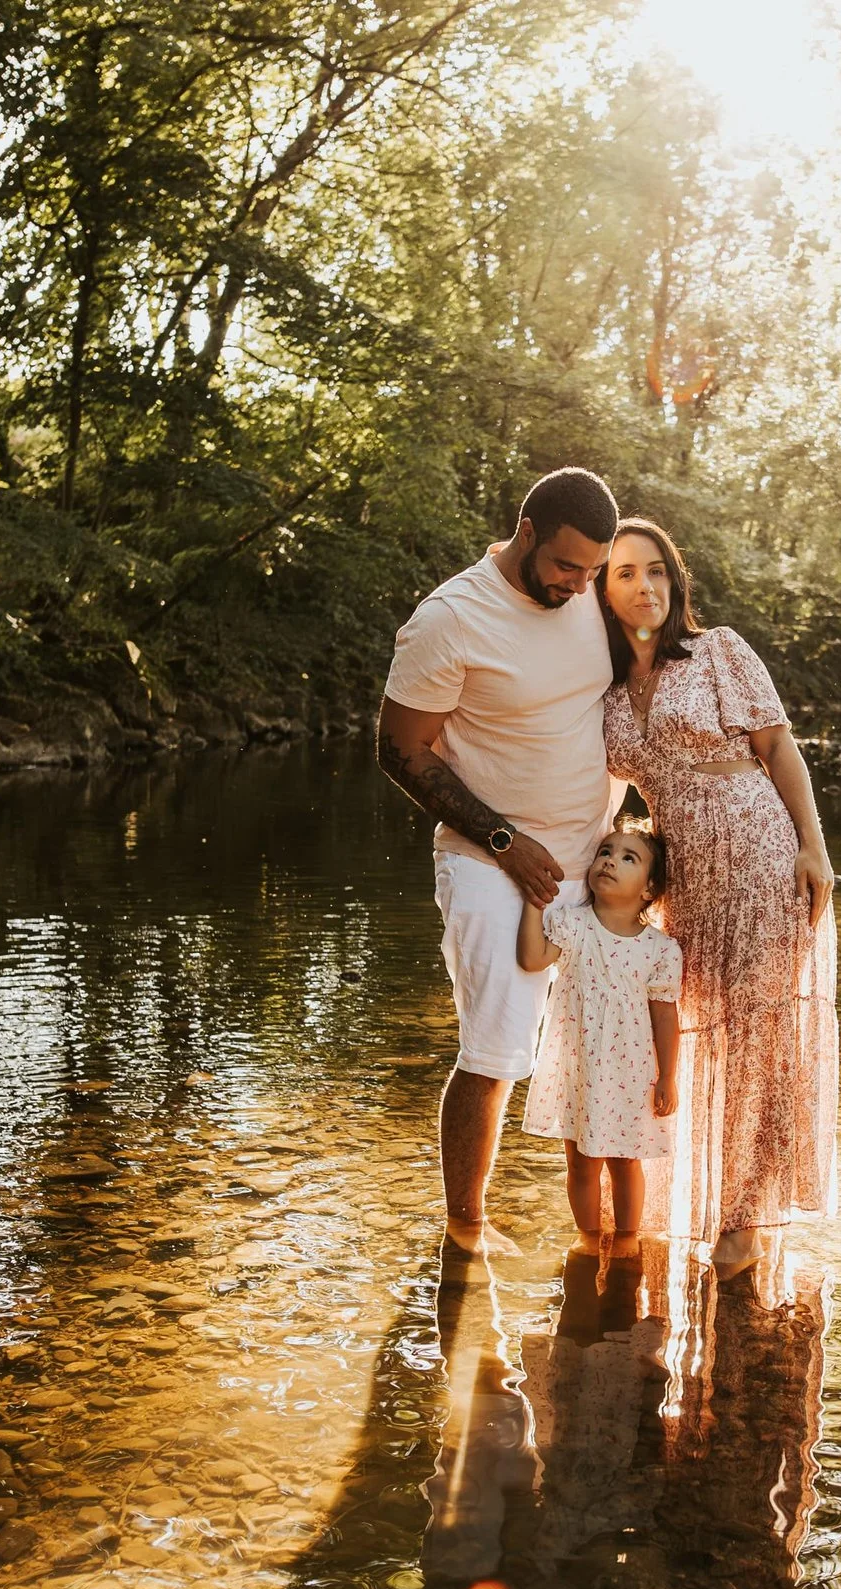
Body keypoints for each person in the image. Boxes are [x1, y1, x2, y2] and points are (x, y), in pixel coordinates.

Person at [377, 466, 622, 1256]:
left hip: (594, 861)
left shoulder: (591, 594)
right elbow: (398, 749)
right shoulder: (452, 618)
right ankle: (466, 1228)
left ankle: (600, 1226)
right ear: (526, 533)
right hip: (491, 859)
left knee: (599, 1043)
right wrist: (505, 844)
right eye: (565, 566)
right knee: (495, 1047)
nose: (579, 584)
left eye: (591, 570)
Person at [597, 517, 839, 1275]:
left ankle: (745, 1216)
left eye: (658, 570)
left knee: (761, 1031)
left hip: (761, 853)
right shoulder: (601, 690)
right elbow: (597, 794)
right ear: (603, 593)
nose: (648, 586)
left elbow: (778, 748)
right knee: (696, 1022)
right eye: (628, 573)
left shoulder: (718, 651)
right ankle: (677, 1196)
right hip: (687, 878)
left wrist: (814, 845)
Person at [515, 822, 683, 1258]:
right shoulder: (572, 925)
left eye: (629, 857)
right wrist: (534, 905)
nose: (609, 860)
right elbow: (533, 959)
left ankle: (628, 1240)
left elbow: (665, 1016)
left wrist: (668, 1077)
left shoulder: (660, 950)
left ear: (649, 890)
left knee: (626, 1160)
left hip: (631, 1071)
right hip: (579, 1067)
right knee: (581, 1161)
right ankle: (588, 1239)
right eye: (606, 851)